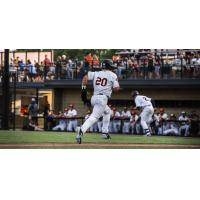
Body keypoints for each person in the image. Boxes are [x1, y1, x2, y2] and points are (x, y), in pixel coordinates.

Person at [76, 59, 120, 144]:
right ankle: (81, 130)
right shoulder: (113, 75)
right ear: (109, 66)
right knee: (94, 117)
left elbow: (85, 77)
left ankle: (104, 132)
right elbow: (116, 88)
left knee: (107, 112)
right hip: (102, 98)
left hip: (94, 97)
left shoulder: (96, 73)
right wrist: (114, 87)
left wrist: (83, 89)